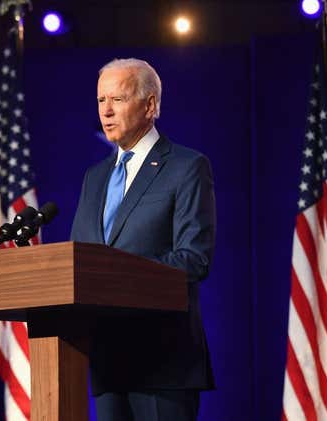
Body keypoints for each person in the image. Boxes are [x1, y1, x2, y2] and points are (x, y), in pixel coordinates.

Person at [71, 58, 217, 421]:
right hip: (106, 361)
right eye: (101, 100)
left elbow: (193, 259)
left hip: (162, 362)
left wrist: (118, 273)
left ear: (150, 105)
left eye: (117, 99)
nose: (105, 110)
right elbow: (80, 259)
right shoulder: (95, 176)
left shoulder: (186, 166)